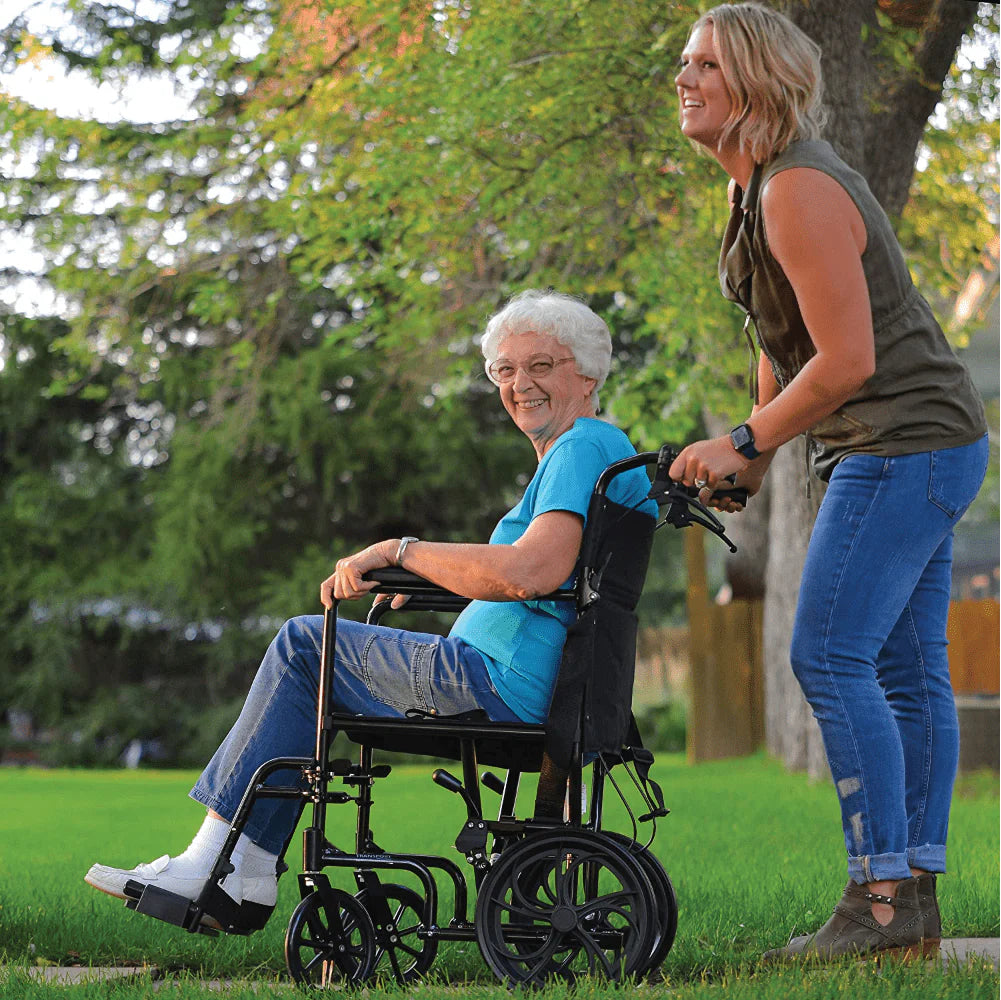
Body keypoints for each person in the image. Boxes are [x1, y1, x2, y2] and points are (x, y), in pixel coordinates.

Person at [84, 289, 657, 917]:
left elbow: (532, 572)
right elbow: (549, 576)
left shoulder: (581, 447)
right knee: (312, 651)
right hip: (532, 682)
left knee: (305, 646)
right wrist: (426, 574)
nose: (520, 385)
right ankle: (241, 867)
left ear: (588, 374)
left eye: (541, 366)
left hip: (500, 682)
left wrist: (400, 550)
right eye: (505, 370)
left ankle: (222, 865)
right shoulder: (600, 450)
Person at [669, 2, 988, 962]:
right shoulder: (755, 191)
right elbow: (784, 341)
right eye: (683, 63)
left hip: (901, 440)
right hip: (913, 441)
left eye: (705, 65)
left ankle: (877, 901)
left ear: (756, 83)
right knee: (903, 671)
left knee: (828, 656)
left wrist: (742, 438)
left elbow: (846, 359)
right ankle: (908, 907)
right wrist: (758, 453)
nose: (683, 79)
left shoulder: (796, 188)